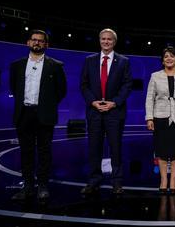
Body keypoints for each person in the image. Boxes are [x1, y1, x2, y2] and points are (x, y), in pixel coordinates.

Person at [9, 29, 67, 200]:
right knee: (26, 152)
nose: (37, 43)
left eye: (41, 41)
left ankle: (42, 186)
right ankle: (27, 186)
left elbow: (61, 91)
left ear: (46, 45)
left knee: (44, 152)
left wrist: (47, 105)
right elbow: (14, 87)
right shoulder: (17, 65)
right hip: (24, 114)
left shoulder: (55, 65)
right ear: (28, 42)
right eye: (34, 40)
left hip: (44, 115)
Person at [80, 28, 133, 195]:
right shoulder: (90, 60)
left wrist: (114, 103)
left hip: (114, 112)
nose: (106, 42)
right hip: (94, 111)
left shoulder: (124, 61)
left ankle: (117, 182)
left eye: (109, 39)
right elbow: (84, 84)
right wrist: (93, 101)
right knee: (94, 147)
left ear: (114, 42)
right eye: (103, 39)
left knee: (115, 148)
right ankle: (94, 180)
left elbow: (127, 85)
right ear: (99, 40)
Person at [145, 46, 175, 194]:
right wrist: (149, 118)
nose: (169, 58)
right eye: (166, 56)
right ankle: (163, 180)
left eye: (172, 56)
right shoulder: (155, 76)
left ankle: (173, 179)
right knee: (161, 150)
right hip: (160, 117)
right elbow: (149, 98)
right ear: (162, 60)